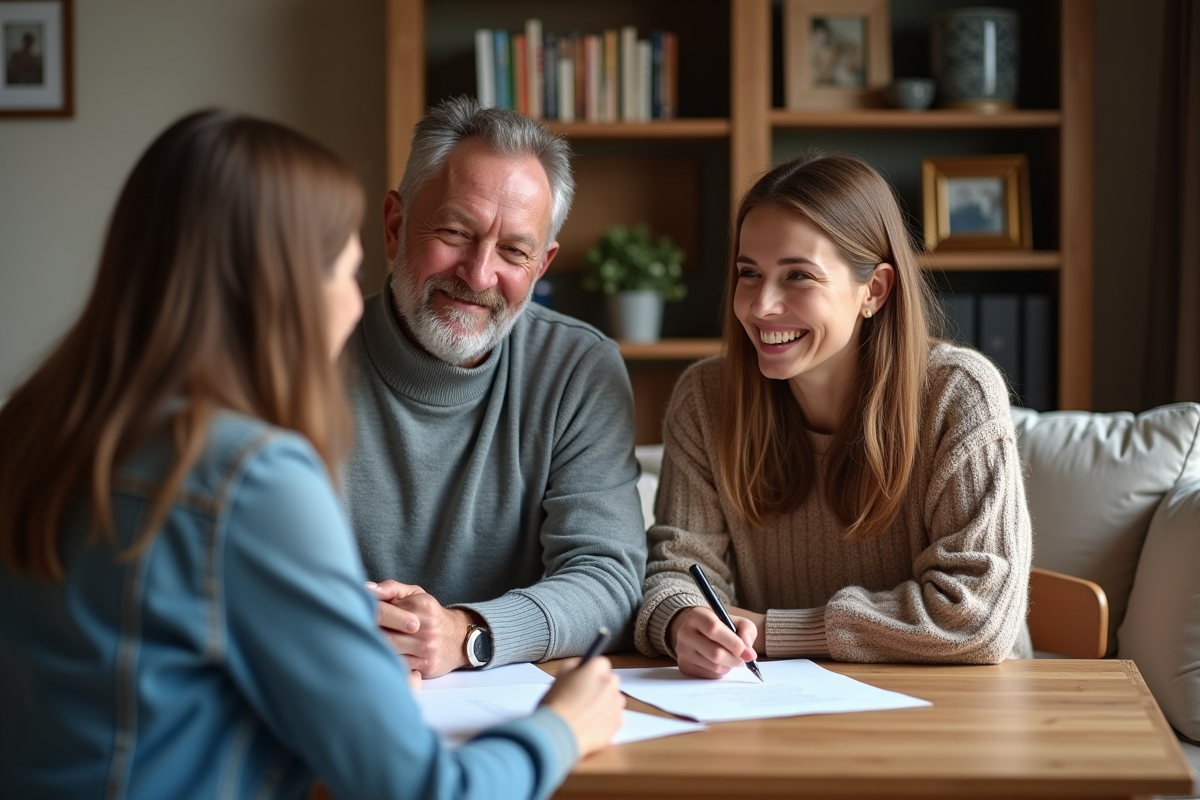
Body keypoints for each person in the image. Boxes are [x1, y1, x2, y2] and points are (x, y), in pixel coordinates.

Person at [0, 110, 623, 800]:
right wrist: (562, 728)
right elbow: (425, 791)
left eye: (512, 250)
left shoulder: (34, 426)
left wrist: (360, 660)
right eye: (342, 270)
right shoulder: (250, 474)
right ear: (273, 284)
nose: (354, 305)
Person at [634, 153, 1033, 678]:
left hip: (960, 699)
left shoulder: (958, 395)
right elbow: (676, 570)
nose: (761, 305)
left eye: (798, 275)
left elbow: (977, 616)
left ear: (875, 290)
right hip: (773, 700)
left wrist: (773, 631)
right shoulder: (706, 398)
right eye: (749, 273)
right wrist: (683, 620)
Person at [343, 97, 646, 678]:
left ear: (542, 265)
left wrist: (466, 633)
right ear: (395, 226)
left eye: (514, 251)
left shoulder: (578, 367)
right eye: (456, 232)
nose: (479, 274)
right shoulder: (298, 359)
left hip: (507, 701)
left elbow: (609, 578)